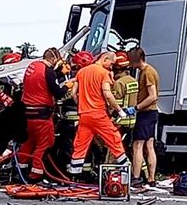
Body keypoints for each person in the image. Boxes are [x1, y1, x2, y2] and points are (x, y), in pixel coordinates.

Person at [68, 52, 129, 175]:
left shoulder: (82, 72)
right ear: (105, 58)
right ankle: (125, 171)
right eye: (111, 63)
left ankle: (74, 176)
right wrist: (119, 110)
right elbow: (107, 94)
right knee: (114, 139)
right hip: (98, 115)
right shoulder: (103, 73)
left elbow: (73, 93)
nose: (111, 67)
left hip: (84, 115)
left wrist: (81, 104)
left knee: (80, 145)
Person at [17, 47, 72, 181]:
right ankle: (36, 174)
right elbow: (57, 93)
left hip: (26, 114)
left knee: (28, 142)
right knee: (45, 143)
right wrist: (67, 86)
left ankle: (21, 171)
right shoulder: (48, 71)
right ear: (53, 59)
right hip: (41, 115)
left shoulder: (33, 66)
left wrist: (58, 73)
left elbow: (44, 81)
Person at [52, 51, 94, 170]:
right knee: (86, 147)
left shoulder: (72, 79)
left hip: (70, 120)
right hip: (87, 118)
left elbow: (60, 95)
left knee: (69, 147)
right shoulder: (92, 76)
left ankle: (70, 174)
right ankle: (85, 173)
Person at [126, 47, 160, 187]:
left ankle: (136, 177)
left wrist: (136, 108)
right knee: (149, 145)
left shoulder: (147, 73)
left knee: (137, 145)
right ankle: (151, 179)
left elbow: (153, 96)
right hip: (151, 113)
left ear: (135, 60)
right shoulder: (148, 71)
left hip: (146, 113)